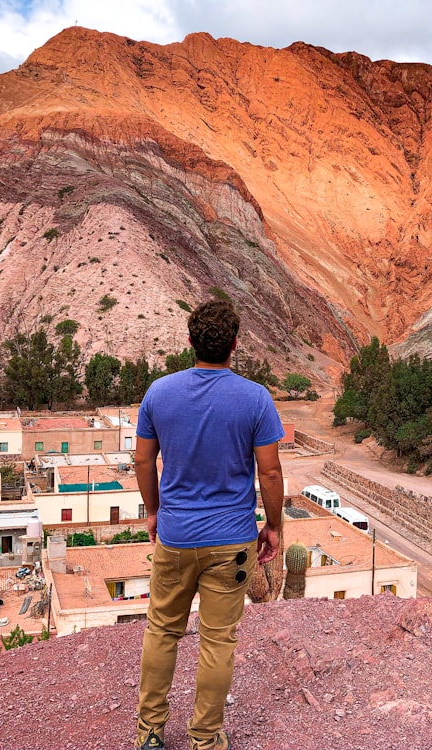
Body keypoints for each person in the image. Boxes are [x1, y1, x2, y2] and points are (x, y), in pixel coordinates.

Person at [134, 299, 285, 750]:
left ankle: (150, 734)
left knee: (162, 630)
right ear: (234, 345)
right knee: (218, 641)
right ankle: (204, 739)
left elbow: (143, 458)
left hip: (176, 536)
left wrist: (154, 510)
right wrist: (272, 525)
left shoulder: (159, 393)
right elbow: (271, 473)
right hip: (232, 542)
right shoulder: (255, 398)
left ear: (190, 342)